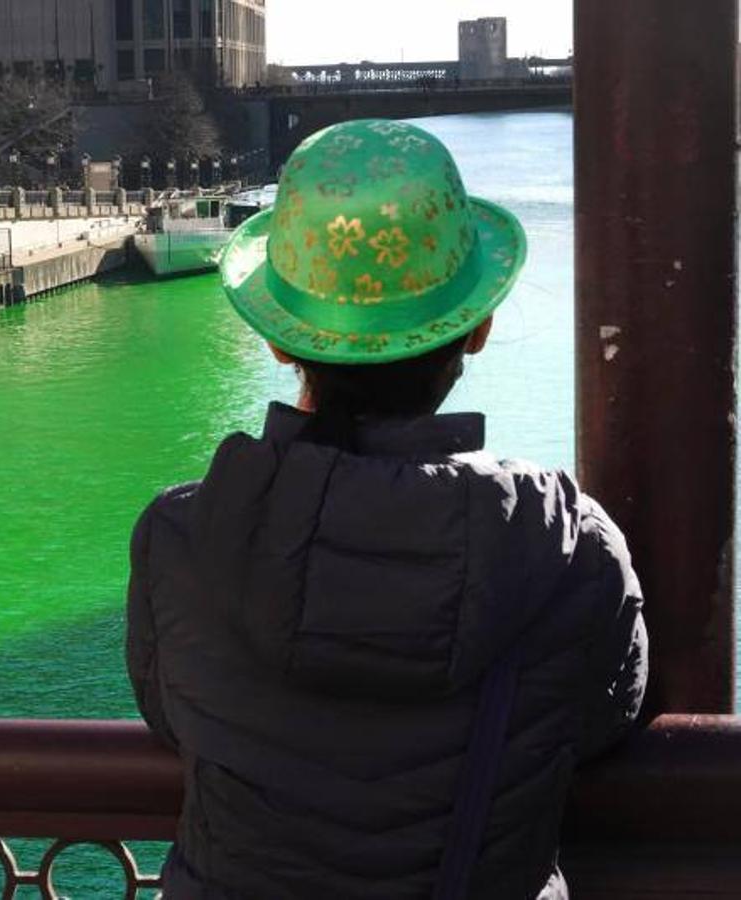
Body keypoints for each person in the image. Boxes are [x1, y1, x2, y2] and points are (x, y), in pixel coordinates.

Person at [126, 120, 647, 900]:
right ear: (476, 329)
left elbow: (171, 716)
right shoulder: (570, 548)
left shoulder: (181, 540)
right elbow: (608, 716)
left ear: (278, 342)